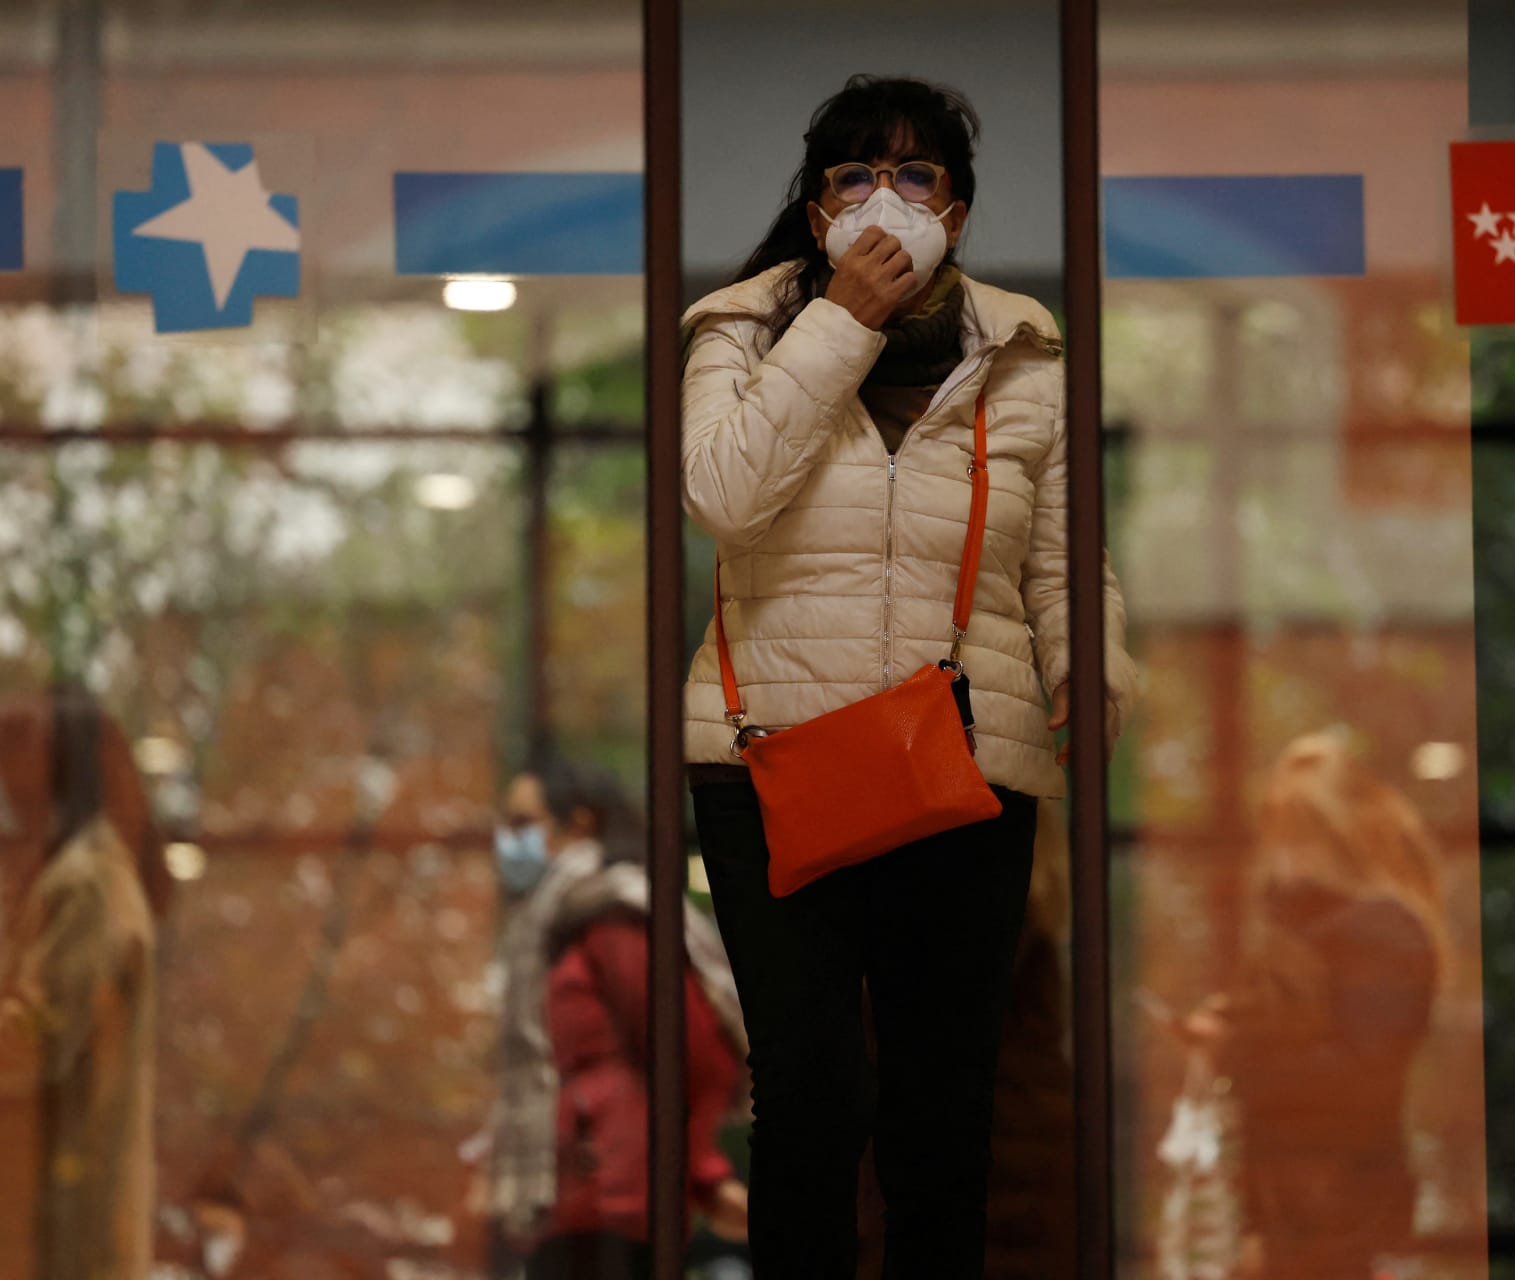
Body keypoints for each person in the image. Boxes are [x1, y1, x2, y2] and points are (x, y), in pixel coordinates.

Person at [680, 75, 1136, 1278]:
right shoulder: (738, 330)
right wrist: (840, 320)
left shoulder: (1022, 349)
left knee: (945, 1112)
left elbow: (1061, 554)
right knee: (813, 1098)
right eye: (856, 176)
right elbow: (722, 495)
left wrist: (1094, 662)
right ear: (818, 207)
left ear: (962, 209)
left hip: (965, 755)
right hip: (772, 754)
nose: (889, 197)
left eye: (917, 174)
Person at [1177, 730, 1444, 1279]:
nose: (1283, 844)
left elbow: (1360, 1076)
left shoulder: (1383, 931)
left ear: (1340, 830)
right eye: (1278, 822)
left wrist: (1234, 1047)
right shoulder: (1305, 927)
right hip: (1293, 1207)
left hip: (1338, 1214)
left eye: (1301, 826)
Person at [0, 686, 167, 1280]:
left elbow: (25, 1047)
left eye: (13, 750)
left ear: (58, 761)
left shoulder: (87, 882)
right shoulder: (79, 873)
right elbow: (47, 1029)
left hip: (61, 1247)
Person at [527, 858, 750, 1279]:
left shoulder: (613, 927)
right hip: (606, 1192)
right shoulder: (599, 930)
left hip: (611, 1192)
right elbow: (683, 1057)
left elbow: (683, 1054)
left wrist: (703, 1171)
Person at [483, 764, 623, 1269]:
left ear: (577, 826)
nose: (507, 840)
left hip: (593, 1178)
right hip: (554, 1179)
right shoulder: (535, 917)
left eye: (523, 823)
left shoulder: (602, 908)